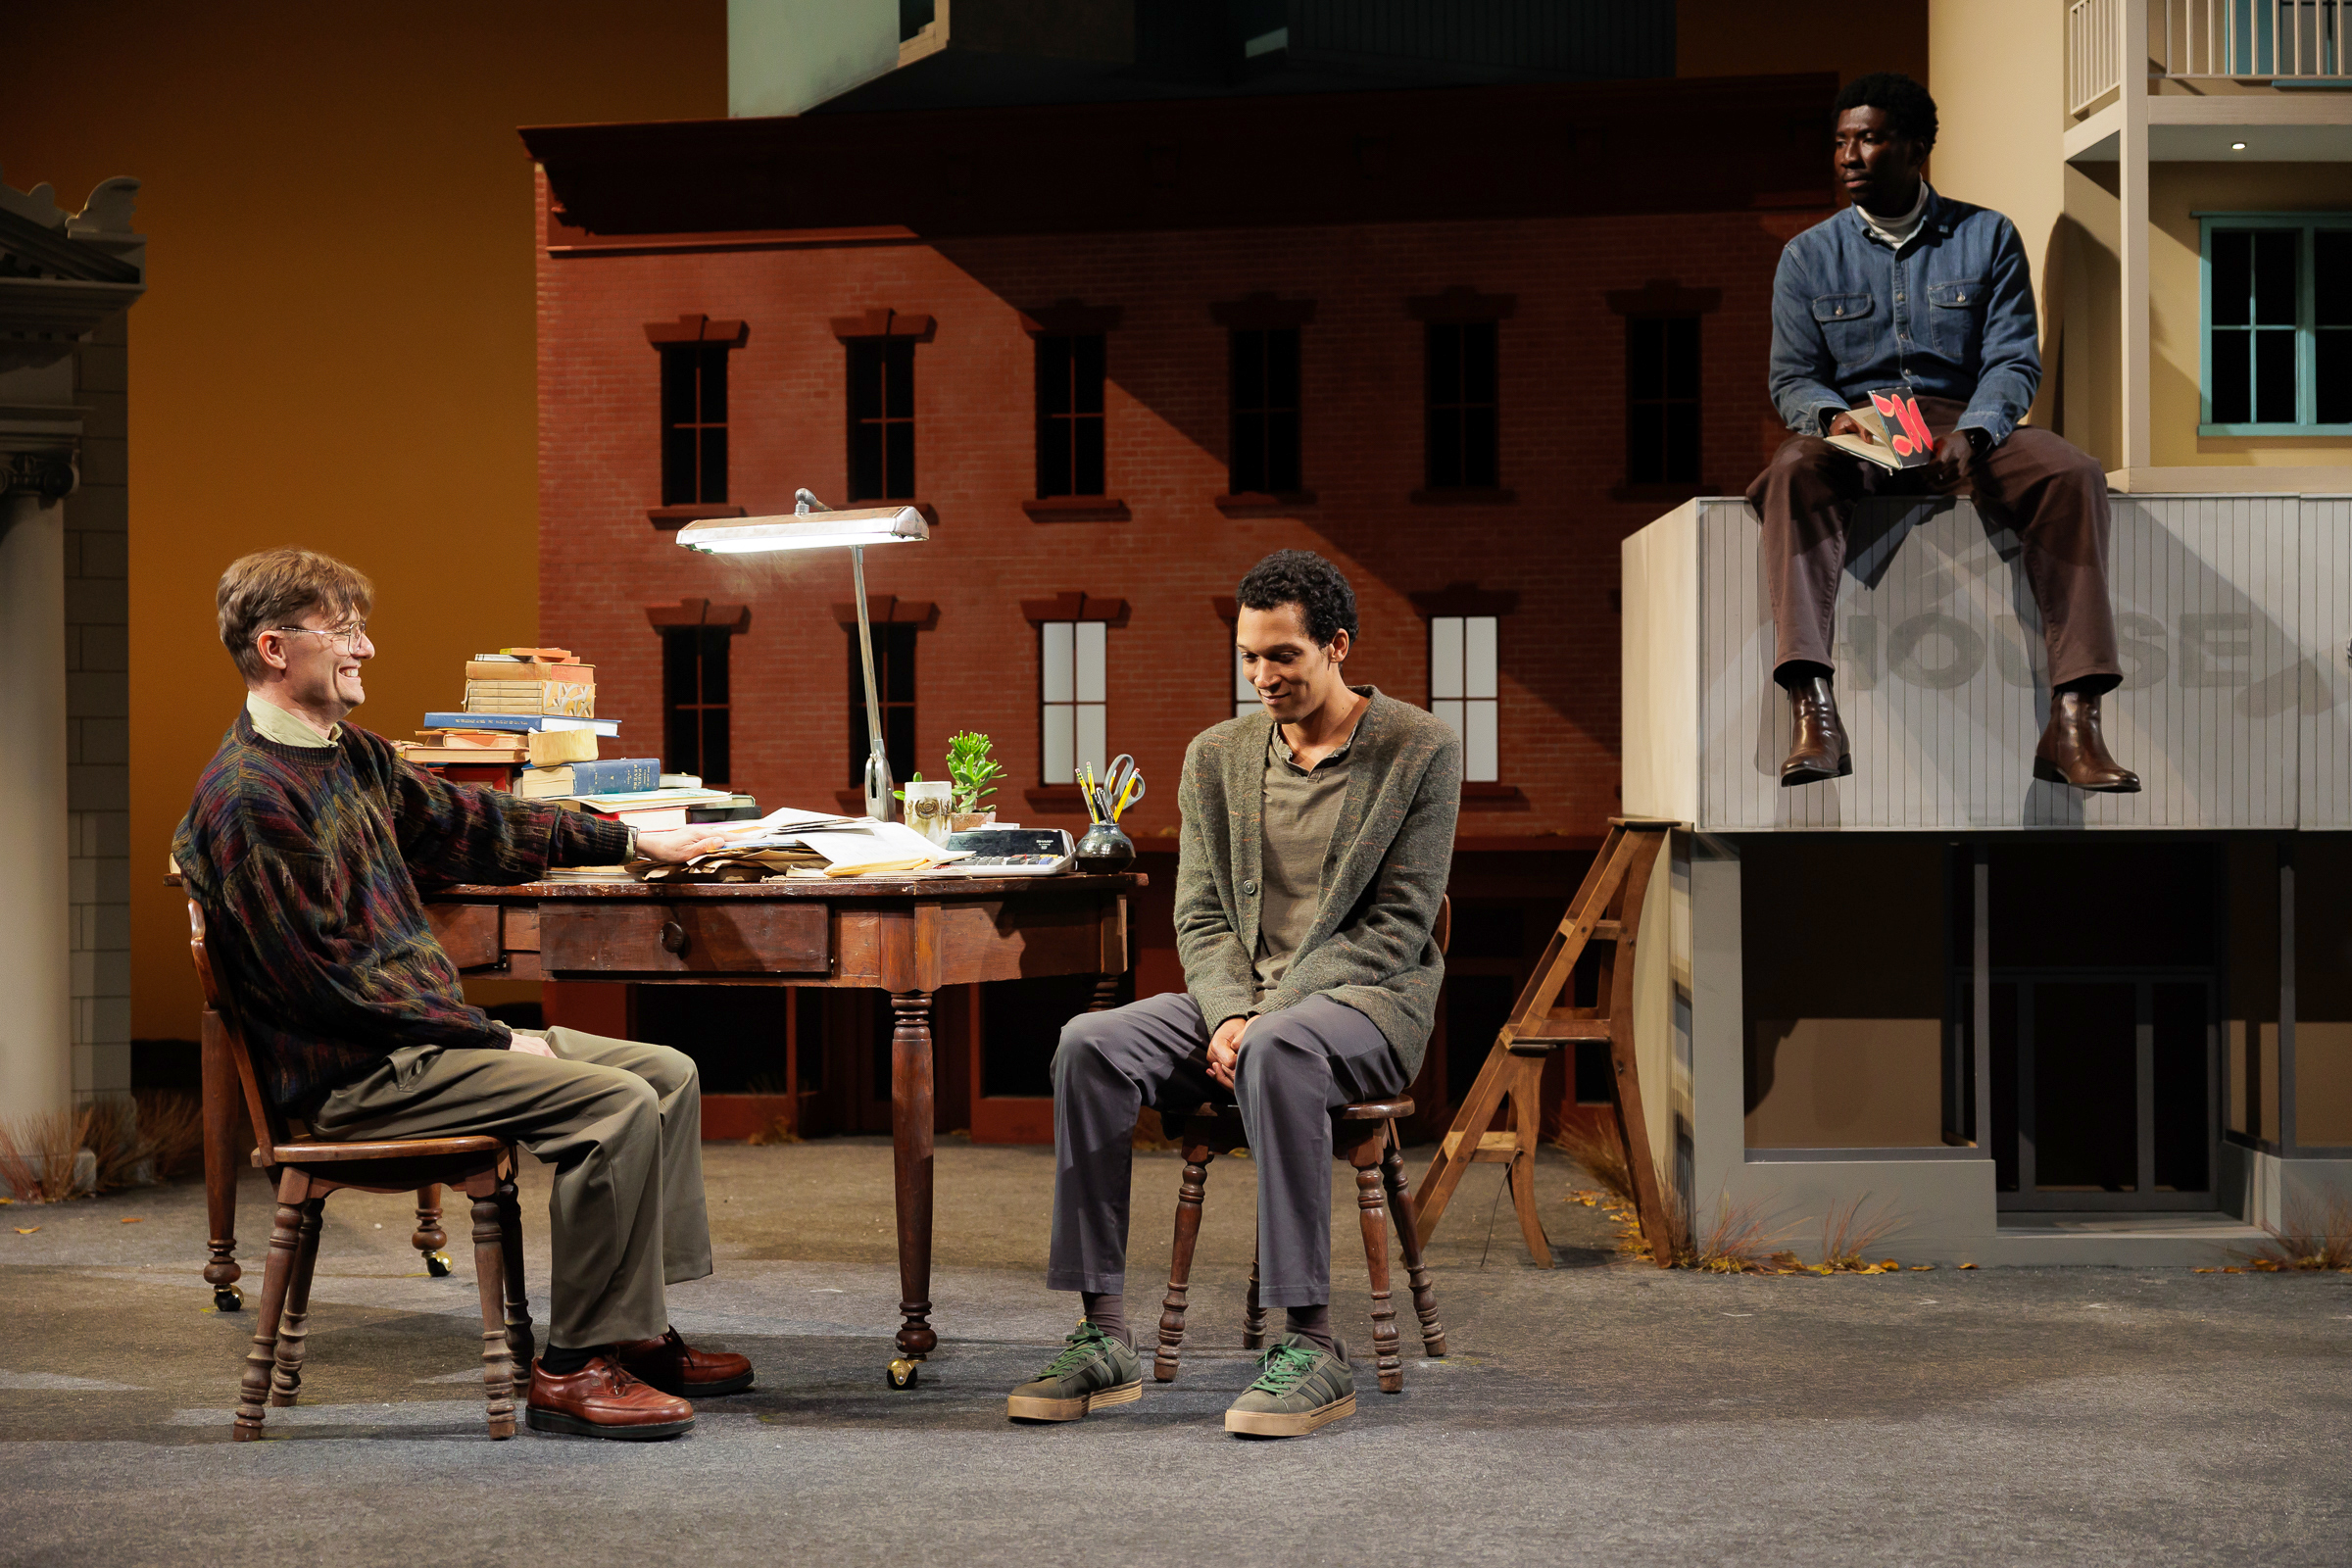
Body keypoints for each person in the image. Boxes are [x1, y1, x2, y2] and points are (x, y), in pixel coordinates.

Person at [172, 547, 755, 1442]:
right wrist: (487, 1037)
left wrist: (627, 843)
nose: (365, 647)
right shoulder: (251, 799)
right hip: (355, 1075)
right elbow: (328, 988)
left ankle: (631, 1330)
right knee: (615, 1105)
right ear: (276, 648)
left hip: (418, 1044)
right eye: (344, 630)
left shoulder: (350, 759)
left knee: (665, 1071)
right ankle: (570, 1367)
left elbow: (474, 820)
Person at [1005, 550, 1458, 1438]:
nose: (1262, 676)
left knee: (1283, 1048)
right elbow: (1202, 916)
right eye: (1249, 657)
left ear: (1336, 647)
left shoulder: (1419, 750)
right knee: (1088, 1043)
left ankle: (1313, 1347)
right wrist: (1230, 1013)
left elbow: (1398, 924)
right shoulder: (1216, 755)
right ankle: (1101, 1335)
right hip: (1235, 1002)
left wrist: (1267, 1017)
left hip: (1367, 1004)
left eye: (1282, 656)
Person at [1748, 71, 2138, 793]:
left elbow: (2014, 358)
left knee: (2072, 470)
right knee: (1793, 469)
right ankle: (1814, 711)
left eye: (1868, 138)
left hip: (1964, 422)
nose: (1848, 156)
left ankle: (2075, 721)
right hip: (1858, 428)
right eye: (1840, 142)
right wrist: (1837, 423)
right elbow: (1793, 379)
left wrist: (1981, 432)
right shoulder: (1807, 255)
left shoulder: (1986, 236)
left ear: (1916, 147)